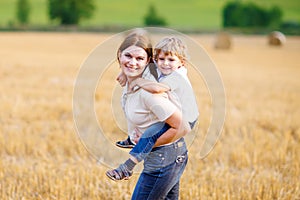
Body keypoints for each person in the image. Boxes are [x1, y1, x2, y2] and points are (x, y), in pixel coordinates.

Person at [106, 30, 191, 199]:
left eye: (139, 59)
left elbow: (183, 127)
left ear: (148, 61)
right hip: (170, 154)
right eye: (128, 56)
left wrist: (146, 144)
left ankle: (126, 167)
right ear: (119, 55)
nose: (132, 63)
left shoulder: (149, 92)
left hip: (164, 156)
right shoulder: (132, 79)